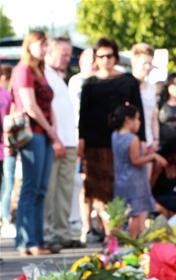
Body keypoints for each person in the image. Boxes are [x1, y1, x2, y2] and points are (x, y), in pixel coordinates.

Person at [79, 37, 145, 240]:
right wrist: (81, 139)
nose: (106, 59)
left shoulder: (128, 80)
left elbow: (137, 109)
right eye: (101, 56)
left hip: (122, 140)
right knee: (99, 188)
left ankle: (118, 229)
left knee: (121, 185)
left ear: (115, 57)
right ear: (96, 58)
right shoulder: (90, 83)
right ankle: (110, 232)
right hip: (95, 142)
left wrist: (141, 139)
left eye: (109, 55)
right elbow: (84, 114)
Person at [11, 30, 58, 256]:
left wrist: (53, 132)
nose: (44, 49)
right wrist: (50, 131)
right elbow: (30, 105)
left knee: (41, 189)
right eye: (41, 44)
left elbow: (50, 104)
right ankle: (25, 241)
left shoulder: (41, 71)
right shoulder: (23, 70)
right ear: (29, 46)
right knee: (30, 188)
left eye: (46, 45)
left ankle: (37, 240)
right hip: (33, 134)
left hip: (46, 134)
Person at [44, 37, 80, 251]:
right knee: (50, 189)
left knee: (65, 190)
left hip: (69, 140)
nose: (68, 58)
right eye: (64, 54)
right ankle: (48, 233)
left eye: (69, 55)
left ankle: (62, 231)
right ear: (51, 51)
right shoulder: (45, 75)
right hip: (56, 140)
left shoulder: (59, 76)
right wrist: (55, 138)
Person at [111, 103, 165, 237]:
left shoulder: (115, 135)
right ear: (128, 120)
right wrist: (153, 156)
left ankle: (113, 239)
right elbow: (135, 160)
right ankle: (132, 239)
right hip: (134, 180)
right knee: (136, 212)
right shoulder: (132, 139)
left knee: (120, 211)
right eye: (137, 119)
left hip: (120, 178)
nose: (139, 122)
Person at [131, 43, 159, 159]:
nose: (148, 67)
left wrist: (156, 140)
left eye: (150, 63)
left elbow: (154, 117)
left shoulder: (152, 88)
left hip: (149, 143)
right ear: (134, 63)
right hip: (131, 142)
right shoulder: (126, 85)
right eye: (144, 63)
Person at [0, 64, 13, 234]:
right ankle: (4, 216)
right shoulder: (5, 95)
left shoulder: (5, 95)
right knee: (5, 186)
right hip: (4, 147)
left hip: (3, 148)